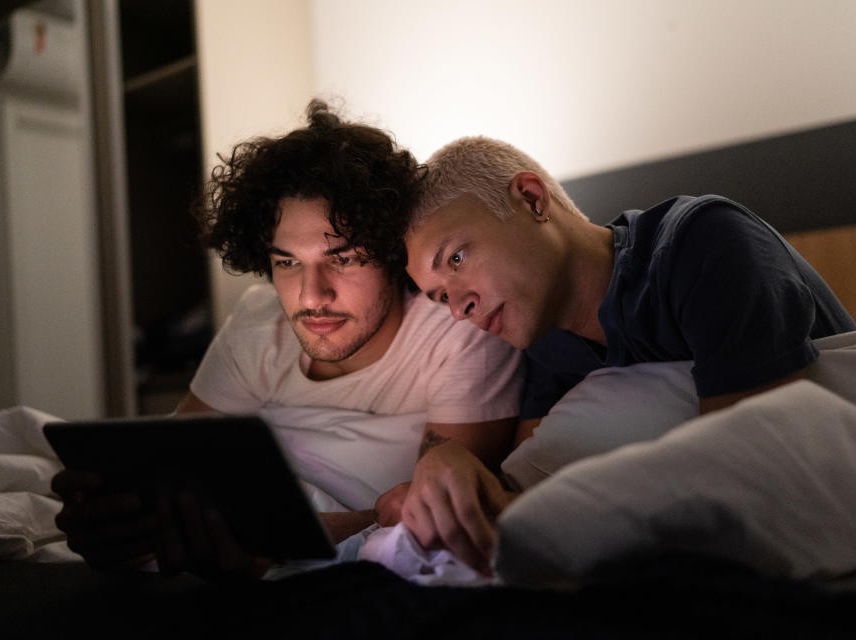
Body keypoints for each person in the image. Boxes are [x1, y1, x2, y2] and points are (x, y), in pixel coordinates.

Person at [51, 104, 524, 578]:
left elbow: (427, 516)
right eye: (287, 262)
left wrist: (271, 539)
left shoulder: (459, 329)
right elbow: (176, 462)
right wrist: (129, 522)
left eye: (344, 259)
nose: (312, 295)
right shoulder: (260, 322)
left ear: (391, 254)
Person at [393, 135, 856, 573]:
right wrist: (446, 461)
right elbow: (527, 480)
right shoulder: (546, 343)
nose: (457, 308)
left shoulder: (704, 244)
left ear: (533, 199)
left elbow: (747, 478)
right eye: (438, 298)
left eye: (455, 259)